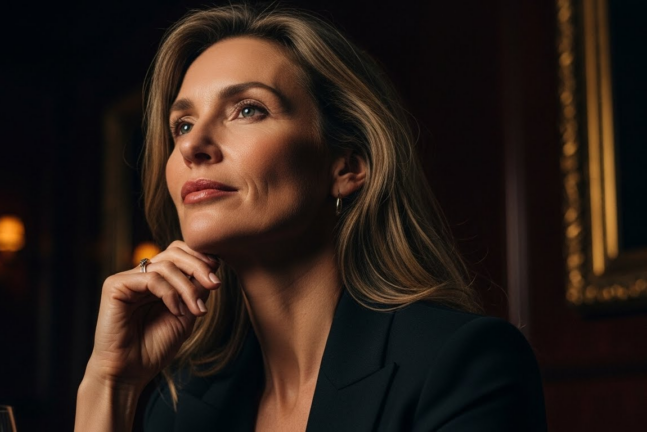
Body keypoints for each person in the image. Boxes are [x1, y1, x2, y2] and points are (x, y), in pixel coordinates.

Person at [75, 4, 547, 431]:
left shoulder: (460, 364)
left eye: (247, 109)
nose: (192, 146)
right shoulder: (181, 404)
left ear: (346, 167)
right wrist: (109, 384)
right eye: (182, 123)